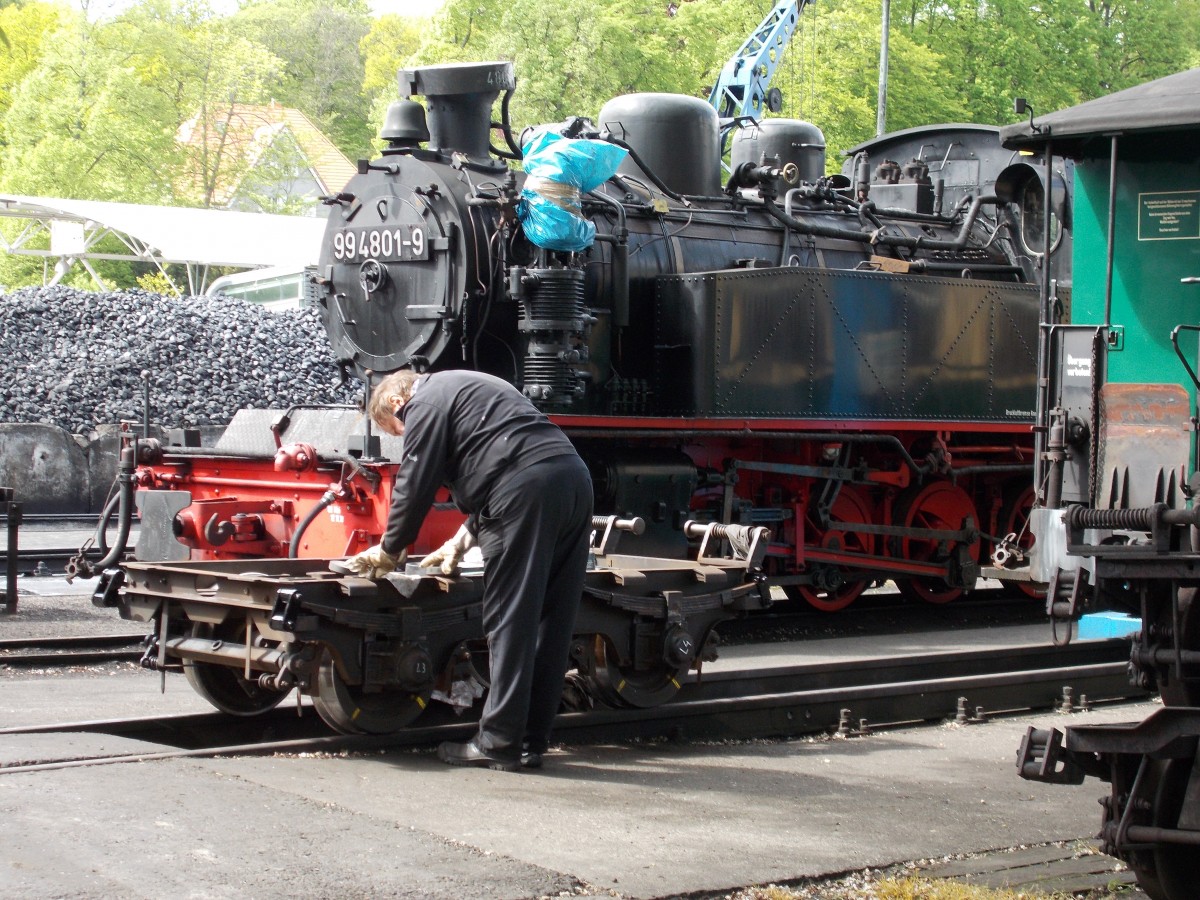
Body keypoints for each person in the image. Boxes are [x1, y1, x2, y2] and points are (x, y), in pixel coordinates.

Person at [334, 368, 593, 771]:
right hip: (572, 479)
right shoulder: (469, 386)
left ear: (396, 404)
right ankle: (530, 741)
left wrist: (389, 549)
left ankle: (497, 742)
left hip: (526, 491)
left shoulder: (424, 401)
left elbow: (415, 481)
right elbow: (503, 460)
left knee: (510, 619)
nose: (406, 434)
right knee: (551, 621)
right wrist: (462, 538)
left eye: (398, 430)